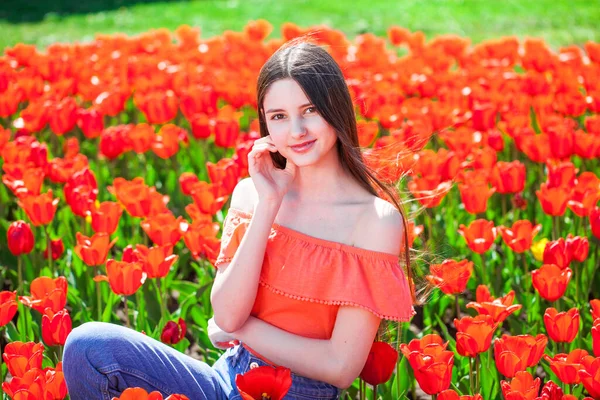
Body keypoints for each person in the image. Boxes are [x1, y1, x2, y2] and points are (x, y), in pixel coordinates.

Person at [62, 39, 417, 400]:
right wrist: (269, 203)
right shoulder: (252, 194)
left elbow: (340, 367)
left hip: (298, 394)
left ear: (335, 108)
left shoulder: (374, 220)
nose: (296, 130)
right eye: (278, 116)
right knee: (89, 346)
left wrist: (246, 331)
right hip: (226, 379)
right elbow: (227, 314)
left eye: (309, 110)